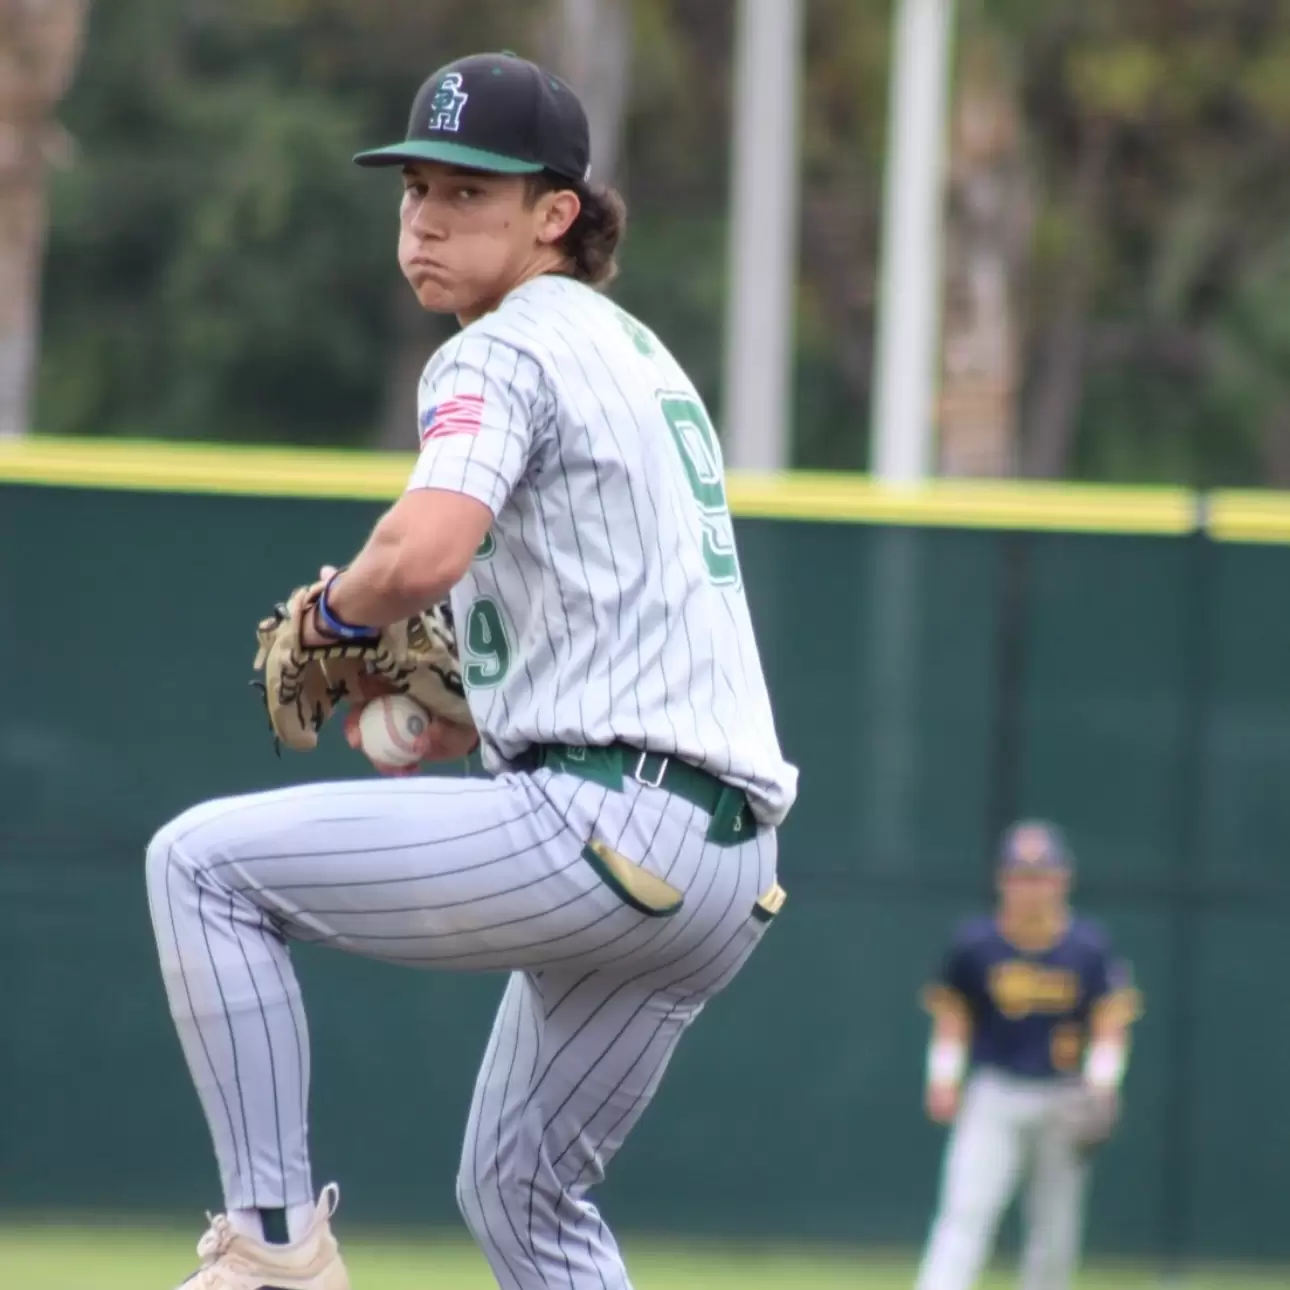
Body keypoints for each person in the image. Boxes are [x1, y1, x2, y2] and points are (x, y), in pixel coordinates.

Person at [145, 50, 797, 1290]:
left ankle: (273, 1250)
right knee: (520, 1195)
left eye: (468, 193)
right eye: (416, 190)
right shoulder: (637, 355)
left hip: (608, 824)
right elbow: (571, 616)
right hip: (723, 868)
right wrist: (464, 706)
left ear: (555, 214)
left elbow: (422, 551)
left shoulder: (500, 348)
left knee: (201, 868)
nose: (427, 221)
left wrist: (335, 619)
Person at [912, 821, 1142, 1290]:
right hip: (994, 1093)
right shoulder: (976, 944)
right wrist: (943, 1076)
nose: (1031, 887)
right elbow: (954, 1018)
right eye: (1020, 874)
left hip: (1064, 1096)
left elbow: (1109, 1025)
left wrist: (1102, 1084)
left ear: (1062, 879)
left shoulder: (1087, 947)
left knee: (1055, 1233)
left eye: (1040, 875)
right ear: (1003, 879)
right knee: (965, 1213)